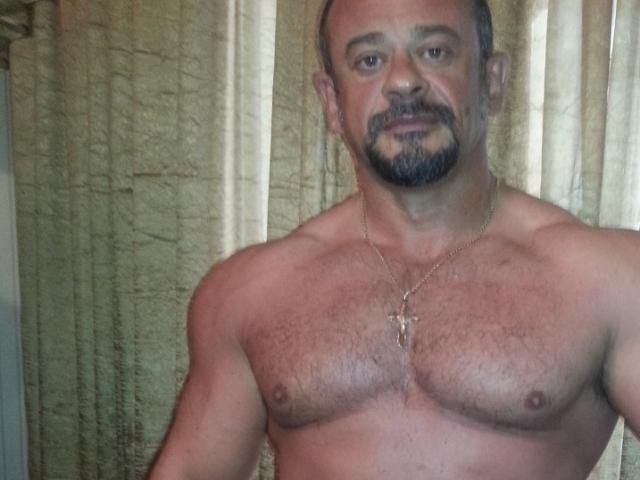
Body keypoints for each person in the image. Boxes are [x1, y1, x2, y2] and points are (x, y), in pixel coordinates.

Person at [146, 0, 640, 478]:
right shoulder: (249, 292)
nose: (403, 81)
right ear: (331, 102)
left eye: (435, 52)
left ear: (492, 82)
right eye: (369, 60)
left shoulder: (609, 280)